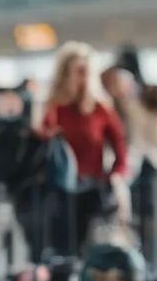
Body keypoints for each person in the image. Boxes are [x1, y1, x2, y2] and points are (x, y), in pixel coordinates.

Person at [40, 42, 130, 253]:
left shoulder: (101, 109)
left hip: (94, 194)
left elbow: (121, 154)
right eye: (79, 72)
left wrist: (114, 180)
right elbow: (42, 143)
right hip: (59, 196)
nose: (84, 78)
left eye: (87, 72)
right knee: (62, 252)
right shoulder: (54, 108)